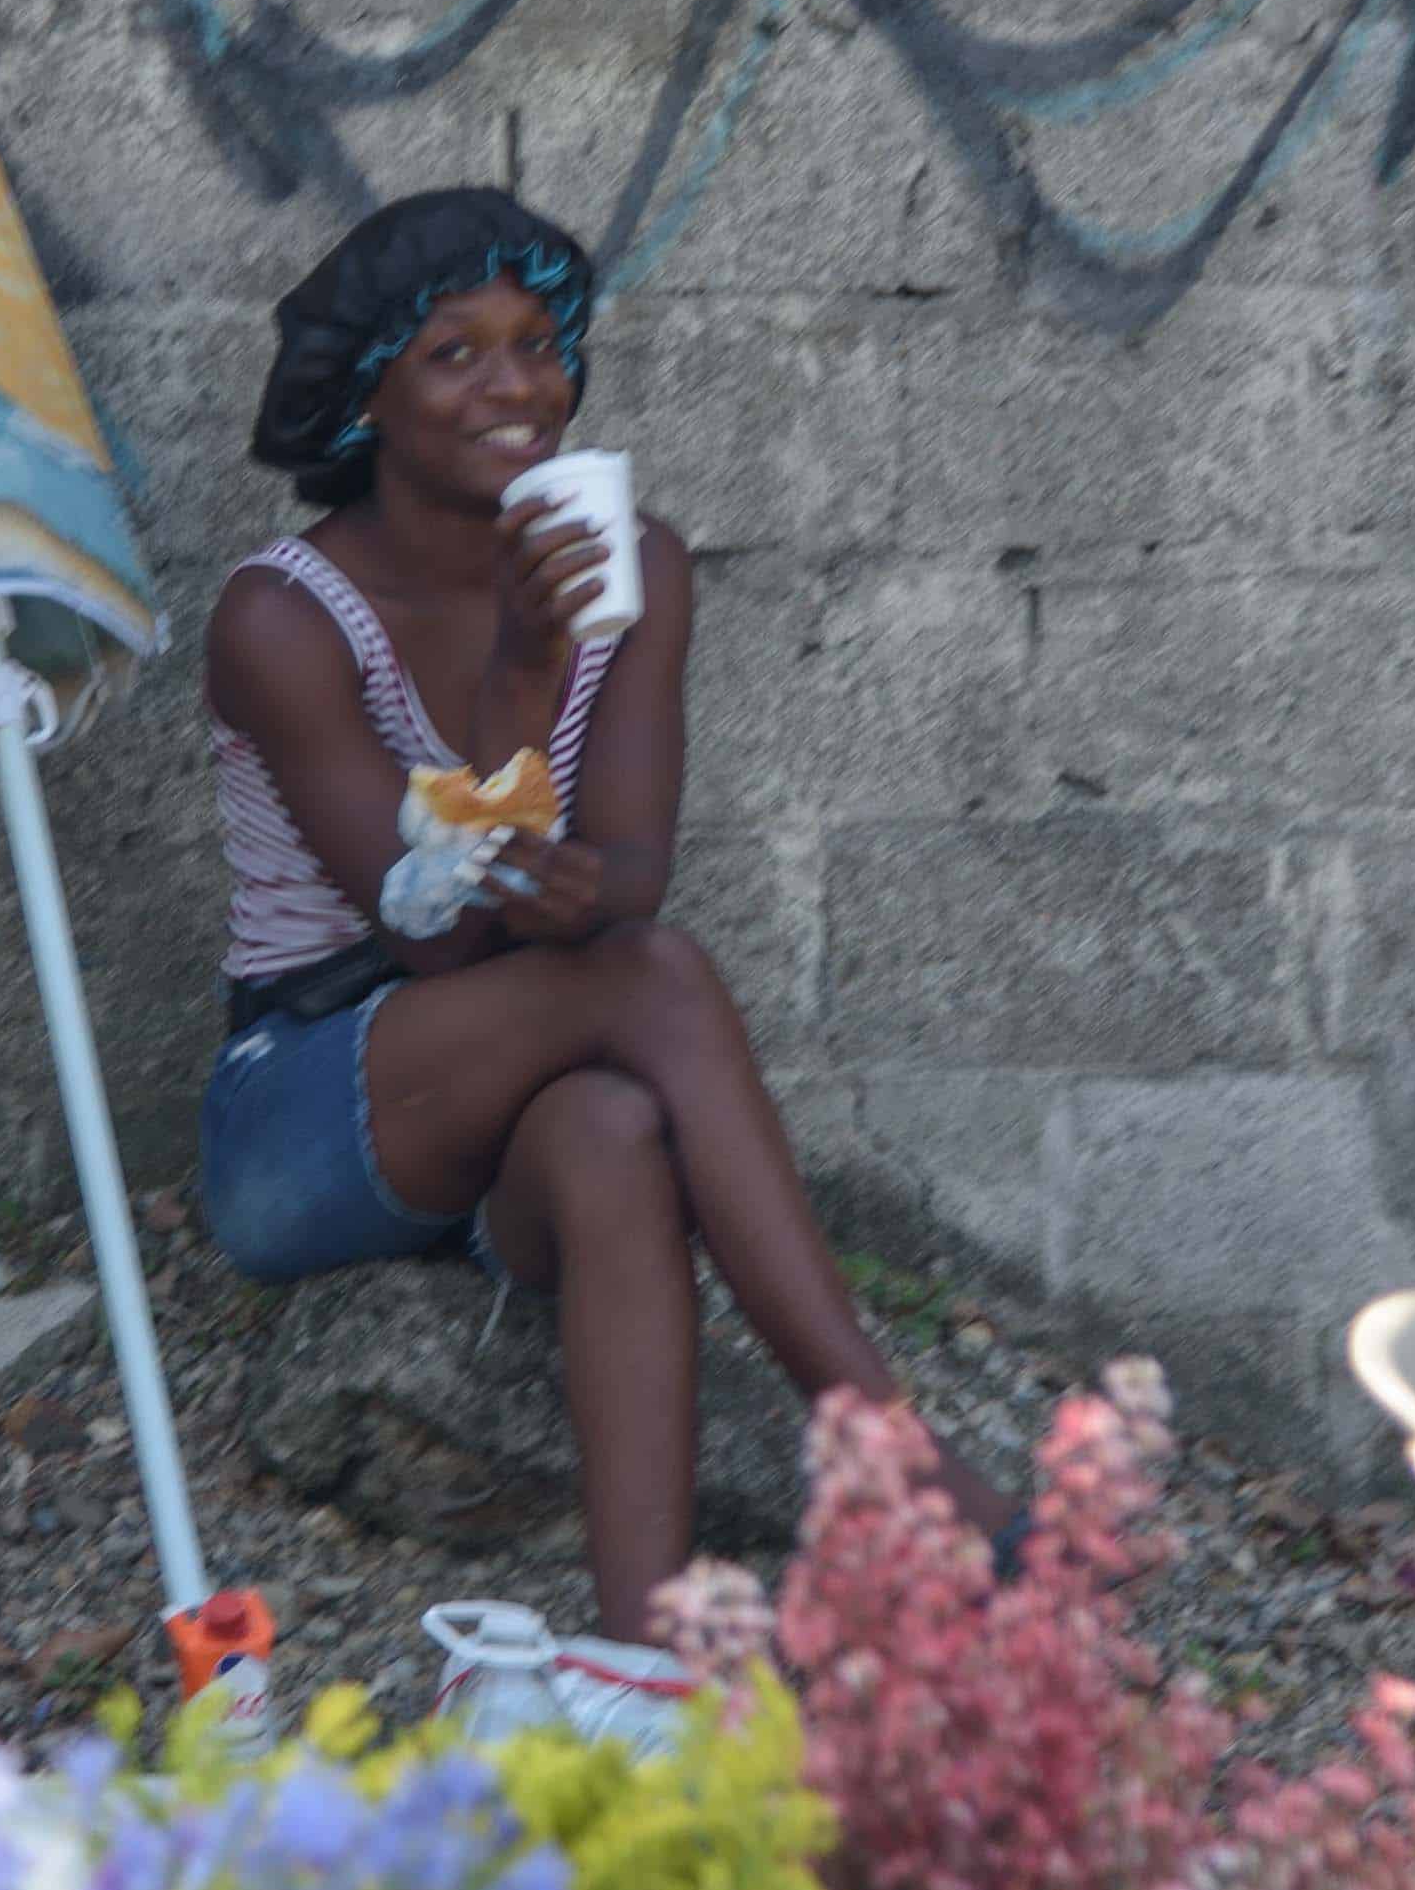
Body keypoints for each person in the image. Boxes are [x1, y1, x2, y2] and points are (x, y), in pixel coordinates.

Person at [194, 189, 1014, 1647]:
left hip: (531, 1060)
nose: (514, 386)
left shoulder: (641, 567)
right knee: (652, 985)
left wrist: (583, 889)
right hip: (312, 1113)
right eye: (452, 354)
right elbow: (433, 934)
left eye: (537, 344)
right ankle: (883, 1450)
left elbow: (632, 865)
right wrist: (519, 664)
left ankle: (643, 1651)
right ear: (369, 393)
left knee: (616, 1126)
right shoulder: (286, 618)